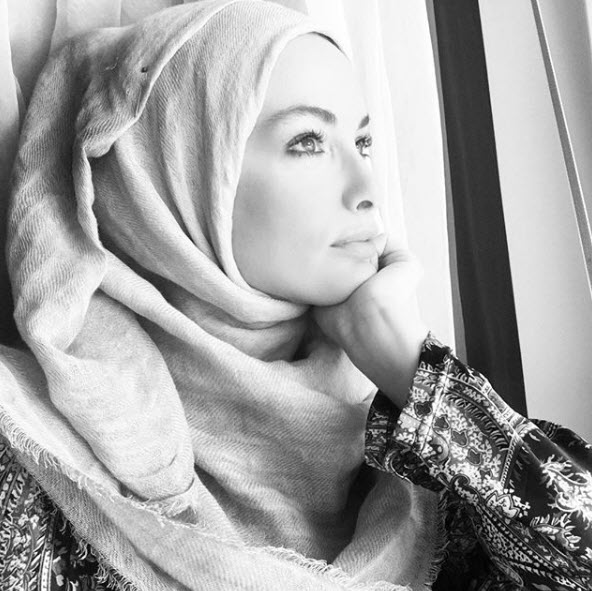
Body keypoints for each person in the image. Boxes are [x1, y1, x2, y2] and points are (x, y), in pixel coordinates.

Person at [0, 1, 590, 590]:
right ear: (173, 174)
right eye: (308, 141)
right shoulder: (28, 451)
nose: (366, 189)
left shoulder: (438, 455)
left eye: (363, 142)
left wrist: (414, 372)